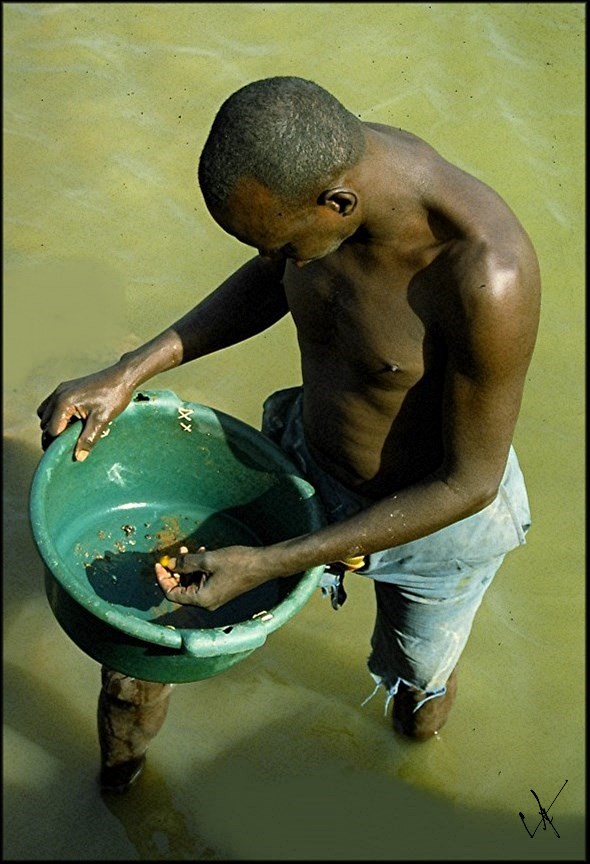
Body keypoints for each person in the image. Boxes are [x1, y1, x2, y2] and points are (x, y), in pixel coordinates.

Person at [37, 76, 540, 792]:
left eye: (285, 248)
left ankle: (415, 775)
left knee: (417, 685)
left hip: (430, 523)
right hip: (305, 456)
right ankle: (117, 797)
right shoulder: (318, 166)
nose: (283, 264)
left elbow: (471, 482)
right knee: (138, 649)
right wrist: (129, 369)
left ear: (337, 204)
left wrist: (275, 560)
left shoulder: (484, 275)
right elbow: (268, 279)